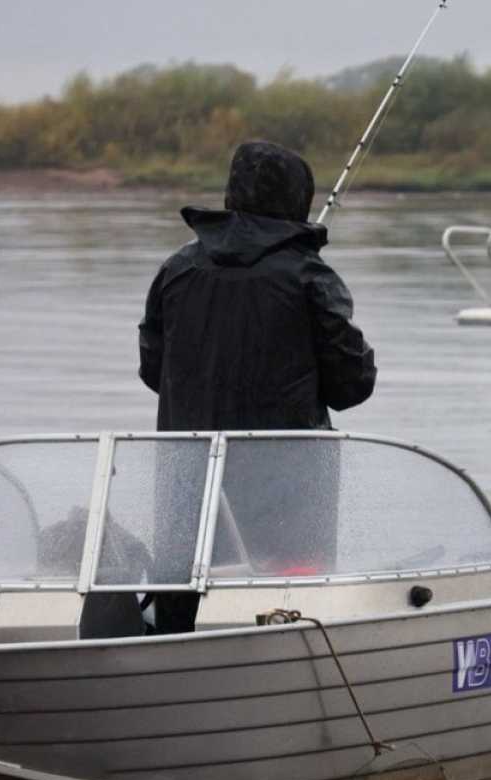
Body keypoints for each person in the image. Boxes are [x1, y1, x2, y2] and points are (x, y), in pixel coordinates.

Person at [138, 141, 377, 633]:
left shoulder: (177, 269)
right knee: (283, 610)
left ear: (231, 194)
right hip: (287, 490)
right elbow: (353, 385)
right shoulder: (310, 276)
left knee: (182, 604)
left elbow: (151, 371)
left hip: (189, 482)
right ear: (299, 199)